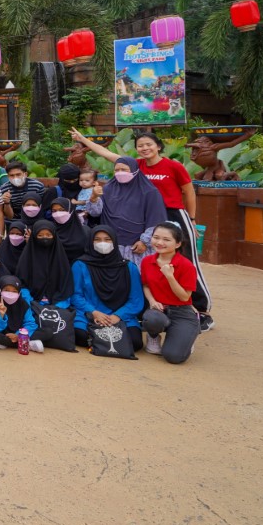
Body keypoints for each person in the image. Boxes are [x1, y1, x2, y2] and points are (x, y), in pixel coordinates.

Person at [72, 129, 211, 330]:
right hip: (139, 215)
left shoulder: (173, 166)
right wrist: (82, 139)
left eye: (149, 145)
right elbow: (105, 154)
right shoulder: (135, 165)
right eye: (140, 146)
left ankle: (200, 309)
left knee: (186, 263)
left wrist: (192, 218)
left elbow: (189, 191)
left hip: (172, 214)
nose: (145, 148)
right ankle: (154, 308)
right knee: (154, 266)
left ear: (159, 146)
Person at [71, 225, 144, 352]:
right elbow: (76, 295)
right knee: (79, 336)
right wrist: (94, 312)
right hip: (89, 314)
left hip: (121, 315)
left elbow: (136, 299)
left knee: (136, 342)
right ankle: (112, 344)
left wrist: (117, 315)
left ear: (114, 242)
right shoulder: (80, 265)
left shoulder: (129, 267)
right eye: (97, 239)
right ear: (90, 242)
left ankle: (98, 343)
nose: (102, 243)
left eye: (107, 239)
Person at [83, 157, 168, 263]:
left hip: (136, 247)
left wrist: (145, 242)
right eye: (117, 170)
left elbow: (156, 219)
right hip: (110, 244)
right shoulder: (108, 188)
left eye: (124, 170)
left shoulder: (149, 192)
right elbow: (95, 213)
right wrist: (93, 197)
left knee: (134, 275)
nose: (120, 173)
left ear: (134, 170)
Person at [140, 222, 200, 364]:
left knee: (174, 357)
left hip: (182, 311)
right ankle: (153, 336)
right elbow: (146, 285)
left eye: (166, 240)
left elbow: (185, 296)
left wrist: (170, 276)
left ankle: (186, 337)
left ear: (178, 244)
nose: (159, 242)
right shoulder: (147, 261)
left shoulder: (186, 266)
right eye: (156, 237)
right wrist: (152, 301)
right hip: (159, 309)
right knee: (152, 319)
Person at [15, 220, 74, 309]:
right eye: (40, 235)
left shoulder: (61, 259)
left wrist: (57, 307)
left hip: (58, 306)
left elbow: (66, 288)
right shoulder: (27, 259)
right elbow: (22, 285)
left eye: (48, 235)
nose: (45, 238)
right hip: (31, 305)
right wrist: (31, 303)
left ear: (54, 236)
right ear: (34, 237)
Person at [0, 276, 45, 352]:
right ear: (0, 290)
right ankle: (27, 344)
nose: (10, 294)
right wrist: (1, 315)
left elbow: (30, 323)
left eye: (14, 291)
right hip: (3, 334)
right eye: (6, 290)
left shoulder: (23, 304)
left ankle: (11, 343)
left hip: (21, 332)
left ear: (19, 292)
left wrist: (18, 335)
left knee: (47, 332)